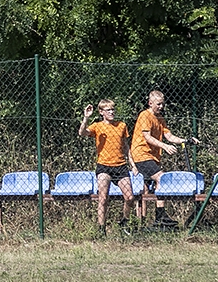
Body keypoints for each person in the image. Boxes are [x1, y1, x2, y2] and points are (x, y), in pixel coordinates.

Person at [130, 90, 199, 227]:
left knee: (146, 189)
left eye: (162, 104)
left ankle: (143, 224)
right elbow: (147, 137)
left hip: (153, 157)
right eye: (158, 104)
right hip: (142, 155)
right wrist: (164, 146)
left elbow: (169, 136)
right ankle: (160, 216)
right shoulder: (145, 115)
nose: (161, 107)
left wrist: (186, 140)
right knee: (162, 178)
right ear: (150, 103)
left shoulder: (160, 118)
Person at [79, 99, 137, 235]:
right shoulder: (97, 126)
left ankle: (124, 221)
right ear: (101, 112)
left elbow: (126, 146)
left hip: (120, 166)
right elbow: (82, 133)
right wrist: (86, 118)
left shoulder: (121, 126)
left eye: (113, 109)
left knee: (130, 197)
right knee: (103, 198)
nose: (111, 112)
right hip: (104, 167)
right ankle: (101, 228)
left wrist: (132, 164)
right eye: (108, 110)